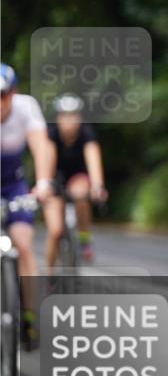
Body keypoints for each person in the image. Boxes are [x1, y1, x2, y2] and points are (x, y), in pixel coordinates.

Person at [0, 63, 55, 347]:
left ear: (13, 93)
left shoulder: (26, 107)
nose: (0, 102)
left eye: (4, 94)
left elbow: (41, 147)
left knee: (23, 241)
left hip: (13, 184)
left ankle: (29, 315)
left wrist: (43, 183)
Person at [43, 93, 107, 265]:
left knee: (81, 194)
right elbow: (48, 161)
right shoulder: (51, 133)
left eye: (73, 115)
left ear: (79, 117)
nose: (69, 120)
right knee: (55, 231)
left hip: (77, 177)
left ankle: (84, 238)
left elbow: (93, 159)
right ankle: (49, 277)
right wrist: (46, 184)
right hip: (55, 178)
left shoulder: (86, 132)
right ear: (58, 118)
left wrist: (97, 185)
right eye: (64, 116)